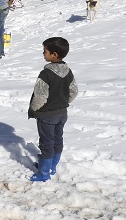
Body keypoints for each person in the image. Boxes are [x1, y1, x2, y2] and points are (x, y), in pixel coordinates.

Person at [28, 37, 78, 182]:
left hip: (47, 115)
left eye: (45, 52)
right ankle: (51, 166)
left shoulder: (46, 74)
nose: (43, 54)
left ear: (54, 55)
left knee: (46, 143)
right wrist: (62, 102)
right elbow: (74, 91)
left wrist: (34, 110)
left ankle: (43, 173)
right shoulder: (68, 71)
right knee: (57, 140)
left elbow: (40, 96)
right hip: (62, 113)